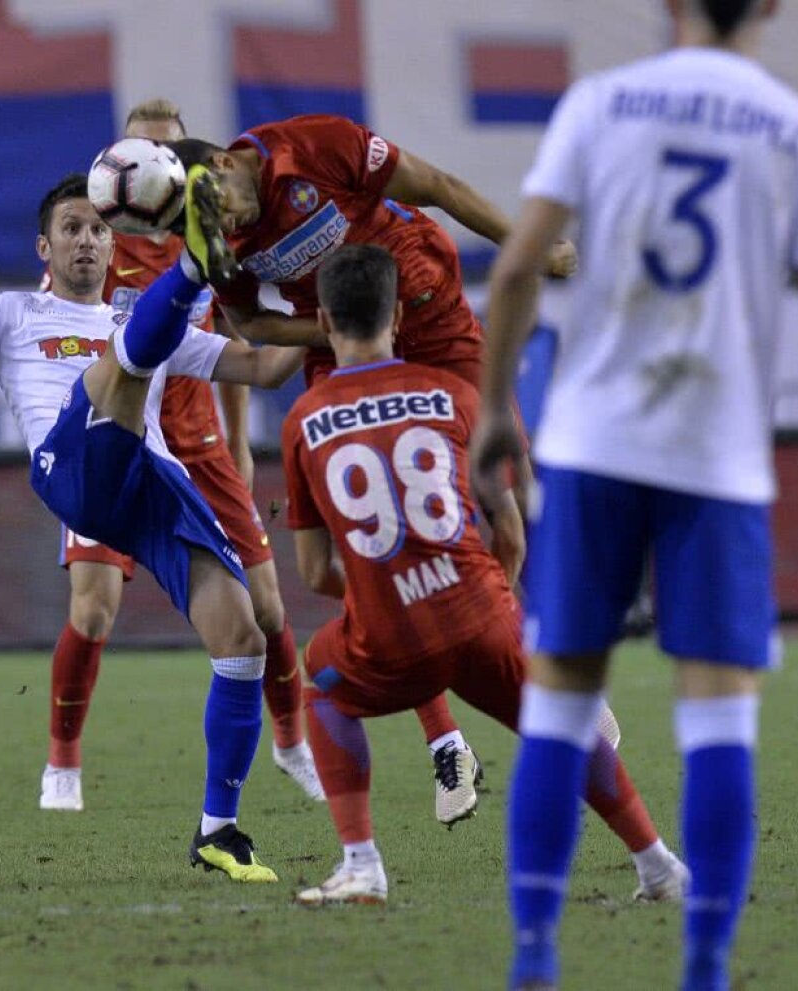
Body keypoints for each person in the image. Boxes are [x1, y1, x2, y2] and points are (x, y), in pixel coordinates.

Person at [472, 2, 798, 988]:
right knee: (719, 715)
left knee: (561, 705)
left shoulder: (599, 105)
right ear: (771, 7)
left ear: (668, 5)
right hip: (718, 457)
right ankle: (704, 969)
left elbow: (518, 267)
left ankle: (533, 960)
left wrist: (491, 415)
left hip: (594, 443)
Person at [0, 169, 306, 883]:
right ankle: (197, 262)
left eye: (99, 229)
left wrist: (319, 314)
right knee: (123, 367)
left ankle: (218, 829)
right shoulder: (13, 314)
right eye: (71, 228)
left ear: (113, 246)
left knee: (243, 636)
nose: (86, 240)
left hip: (153, 485)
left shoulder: (134, 326)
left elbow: (261, 368)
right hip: (72, 468)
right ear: (45, 247)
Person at [173, 114, 577, 823]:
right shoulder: (210, 238)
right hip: (347, 348)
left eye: (221, 207)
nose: (225, 226)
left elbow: (440, 187)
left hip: (429, 313)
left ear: (227, 164)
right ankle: (445, 737)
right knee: (368, 550)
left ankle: (507, 656)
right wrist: (341, 326)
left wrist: (528, 249)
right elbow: (258, 327)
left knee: (503, 512)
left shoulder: (314, 145)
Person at [282, 244, 687, 907]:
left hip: (390, 639)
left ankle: (362, 862)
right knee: (564, 724)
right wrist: (488, 592)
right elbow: (509, 528)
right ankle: (660, 866)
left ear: (324, 320)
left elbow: (314, 568)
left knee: (323, 685)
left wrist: (381, 593)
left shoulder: (305, 421)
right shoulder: (453, 394)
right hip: (480, 611)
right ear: (396, 317)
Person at [40, 99, 322, 813]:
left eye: (170, 154)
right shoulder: (96, 245)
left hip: (196, 439)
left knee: (266, 607)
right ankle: (63, 761)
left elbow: (235, 343)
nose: (158, 168)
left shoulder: (213, 238)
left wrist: (237, 443)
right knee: (95, 607)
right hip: (117, 440)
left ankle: (292, 742)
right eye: (142, 152)